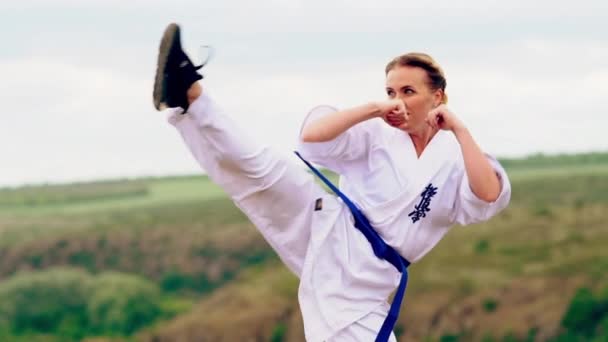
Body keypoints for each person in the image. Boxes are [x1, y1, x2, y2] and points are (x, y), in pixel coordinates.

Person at [152, 22, 511, 342]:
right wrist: (373, 109)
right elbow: (311, 137)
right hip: (328, 222)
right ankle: (190, 95)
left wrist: (461, 130)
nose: (397, 101)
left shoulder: (458, 154)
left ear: (439, 97)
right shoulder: (377, 129)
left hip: (364, 278)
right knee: (263, 171)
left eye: (408, 91)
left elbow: (488, 195)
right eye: (391, 92)